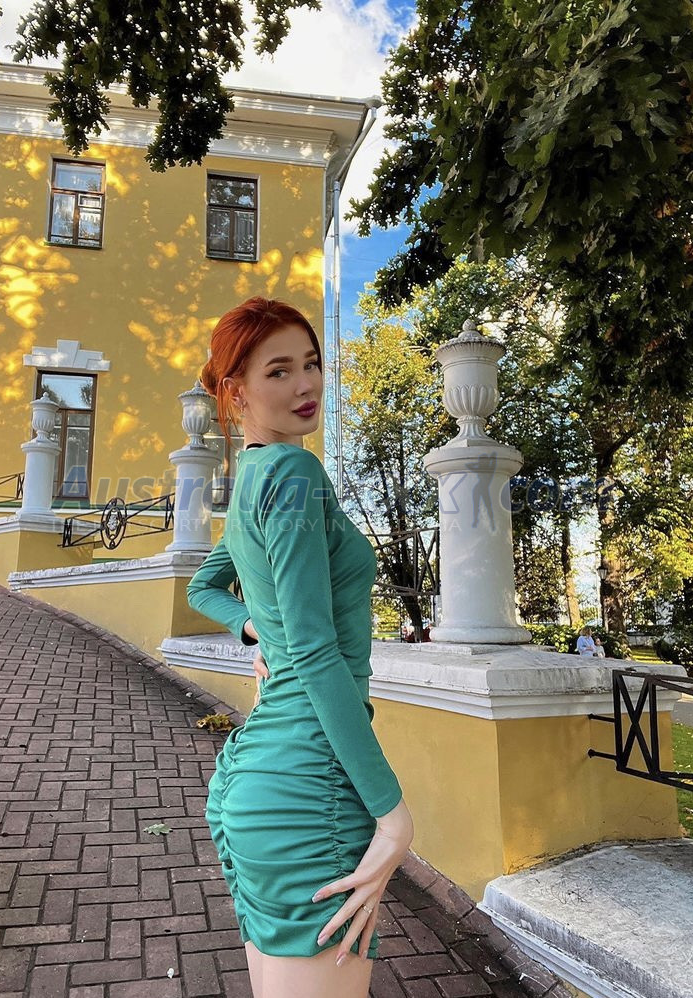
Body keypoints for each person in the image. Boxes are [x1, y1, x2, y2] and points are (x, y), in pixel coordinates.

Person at [186, 297, 414, 998]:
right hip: (306, 790)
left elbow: (205, 587)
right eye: (278, 371)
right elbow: (314, 652)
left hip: (255, 780)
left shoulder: (252, 479)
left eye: (310, 363)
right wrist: (391, 813)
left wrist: (259, 628)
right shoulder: (291, 473)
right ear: (236, 392)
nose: (306, 384)